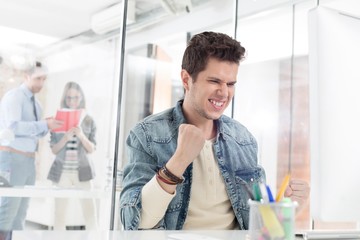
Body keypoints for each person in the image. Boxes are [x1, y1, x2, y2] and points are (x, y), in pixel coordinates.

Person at [119, 31, 310, 230]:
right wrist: (178, 161)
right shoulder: (146, 135)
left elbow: (258, 227)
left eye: (230, 84)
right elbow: (134, 221)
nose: (224, 93)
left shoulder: (243, 140)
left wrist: (287, 209)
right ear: (186, 79)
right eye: (214, 81)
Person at [0, 62, 63, 236]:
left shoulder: (37, 105)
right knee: (6, 212)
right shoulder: (14, 97)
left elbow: (33, 134)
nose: (41, 83)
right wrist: (43, 124)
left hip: (28, 161)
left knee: (20, 214)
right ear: (26, 77)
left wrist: (47, 126)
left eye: (44, 79)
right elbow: (13, 127)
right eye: (37, 79)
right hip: (11, 158)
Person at [47, 81, 98, 230]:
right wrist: (65, 138)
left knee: (90, 213)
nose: (72, 101)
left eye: (76, 97)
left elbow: (92, 149)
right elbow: (54, 150)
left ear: (81, 97)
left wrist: (81, 136)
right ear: (65, 98)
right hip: (62, 172)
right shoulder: (58, 119)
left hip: (83, 170)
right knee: (59, 214)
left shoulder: (89, 120)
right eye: (69, 98)